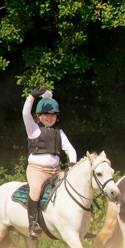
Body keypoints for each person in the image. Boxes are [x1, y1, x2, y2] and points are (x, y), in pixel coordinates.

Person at [22, 88, 77, 238]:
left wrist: (72, 163)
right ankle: (32, 225)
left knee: (72, 188)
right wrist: (31, 97)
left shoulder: (59, 133)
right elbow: (25, 114)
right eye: (46, 114)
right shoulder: (33, 129)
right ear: (39, 116)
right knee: (35, 190)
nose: (49, 117)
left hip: (55, 171)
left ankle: (75, 224)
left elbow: (71, 151)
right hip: (37, 170)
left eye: (53, 114)